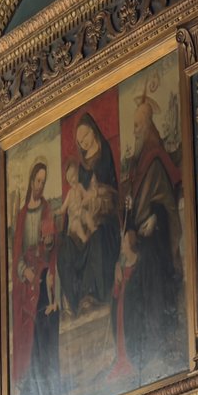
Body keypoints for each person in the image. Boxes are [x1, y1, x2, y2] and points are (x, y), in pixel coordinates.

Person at [115, 87, 186, 383]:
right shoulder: (136, 163)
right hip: (140, 239)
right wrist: (129, 215)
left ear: (148, 127)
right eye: (133, 126)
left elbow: (166, 201)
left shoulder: (155, 159)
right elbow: (131, 207)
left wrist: (155, 216)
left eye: (138, 126)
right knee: (125, 289)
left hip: (156, 241)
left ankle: (153, 340)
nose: (134, 131)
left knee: (146, 276)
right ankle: (135, 350)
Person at [9, 157, 60, 395]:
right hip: (26, 278)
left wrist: (49, 244)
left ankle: (45, 382)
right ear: (31, 181)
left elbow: (50, 245)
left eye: (43, 181)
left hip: (41, 273)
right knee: (27, 333)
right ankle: (28, 386)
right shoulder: (21, 216)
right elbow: (17, 252)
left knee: (42, 325)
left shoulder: (47, 208)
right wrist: (23, 271)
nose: (40, 185)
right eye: (37, 181)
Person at [58, 114, 121, 319]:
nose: (83, 142)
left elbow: (113, 197)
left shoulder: (104, 157)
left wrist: (96, 198)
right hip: (84, 222)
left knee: (97, 237)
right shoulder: (82, 170)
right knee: (65, 249)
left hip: (105, 222)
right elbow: (75, 201)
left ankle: (92, 295)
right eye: (79, 141)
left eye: (85, 136)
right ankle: (72, 304)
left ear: (93, 131)